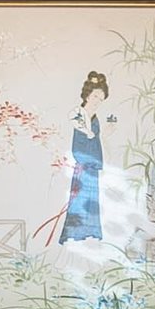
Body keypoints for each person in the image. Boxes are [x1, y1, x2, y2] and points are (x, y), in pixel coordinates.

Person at [55, 71, 112, 244]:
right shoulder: (78, 115)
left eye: (101, 99)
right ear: (87, 95)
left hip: (92, 167)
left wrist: (107, 133)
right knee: (80, 203)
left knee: (91, 204)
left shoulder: (94, 117)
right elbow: (78, 146)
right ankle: (75, 237)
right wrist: (89, 136)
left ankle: (89, 237)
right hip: (84, 166)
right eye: (95, 96)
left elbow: (96, 140)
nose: (97, 101)